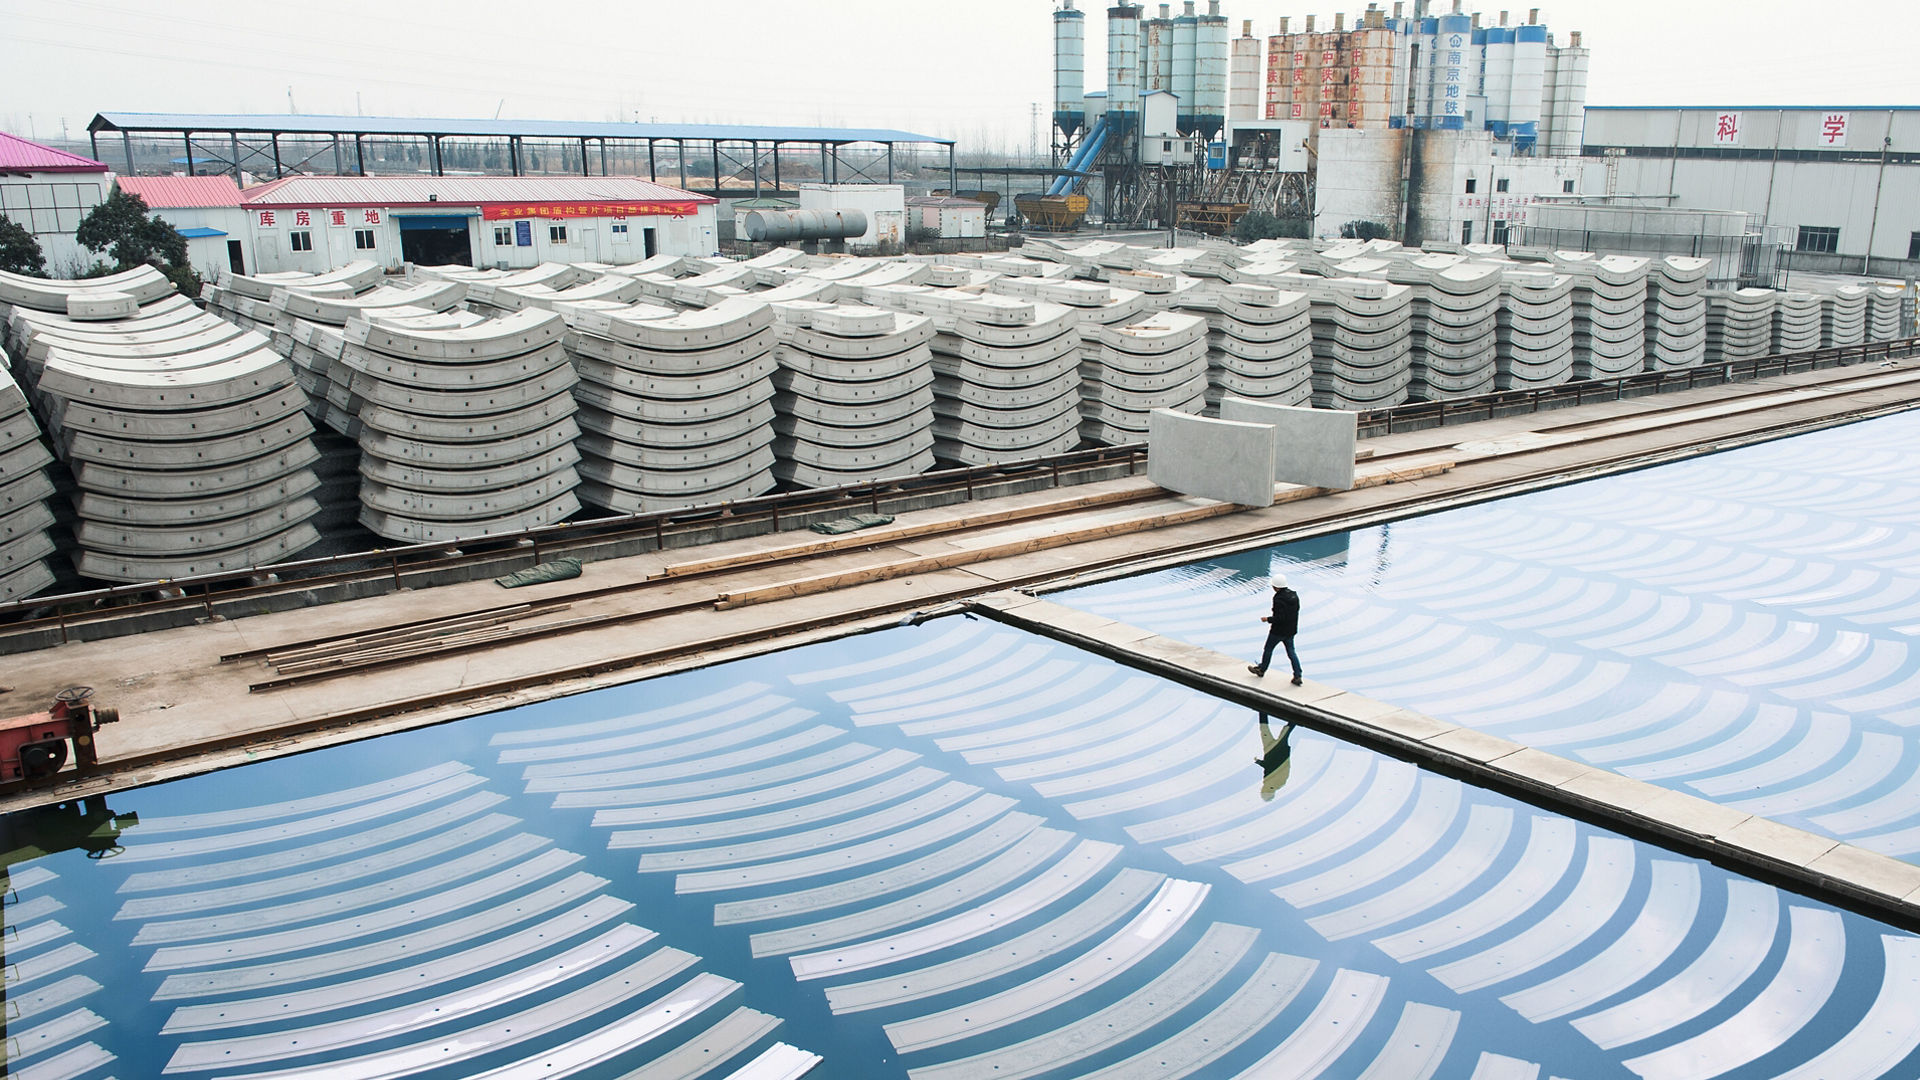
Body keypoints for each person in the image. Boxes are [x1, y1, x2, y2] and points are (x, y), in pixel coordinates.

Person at [1247, 574, 1303, 685]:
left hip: (1278, 631)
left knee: (1268, 649)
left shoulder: (1278, 599)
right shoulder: (1294, 596)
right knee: (1291, 652)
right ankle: (1298, 675)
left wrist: (1267, 619)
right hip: (1290, 631)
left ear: (1276, 587)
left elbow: (1280, 618)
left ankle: (1261, 670)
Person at [1256, 713, 1296, 802]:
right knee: (1284, 731)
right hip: (1276, 751)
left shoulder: (1271, 783)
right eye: (1263, 792)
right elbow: (1280, 766)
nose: (1262, 789)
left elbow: (1269, 768)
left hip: (1271, 751)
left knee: (1267, 730)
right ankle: (1297, 715)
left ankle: (1262, 711)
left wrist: (1260, 762)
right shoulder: (1278, 783)